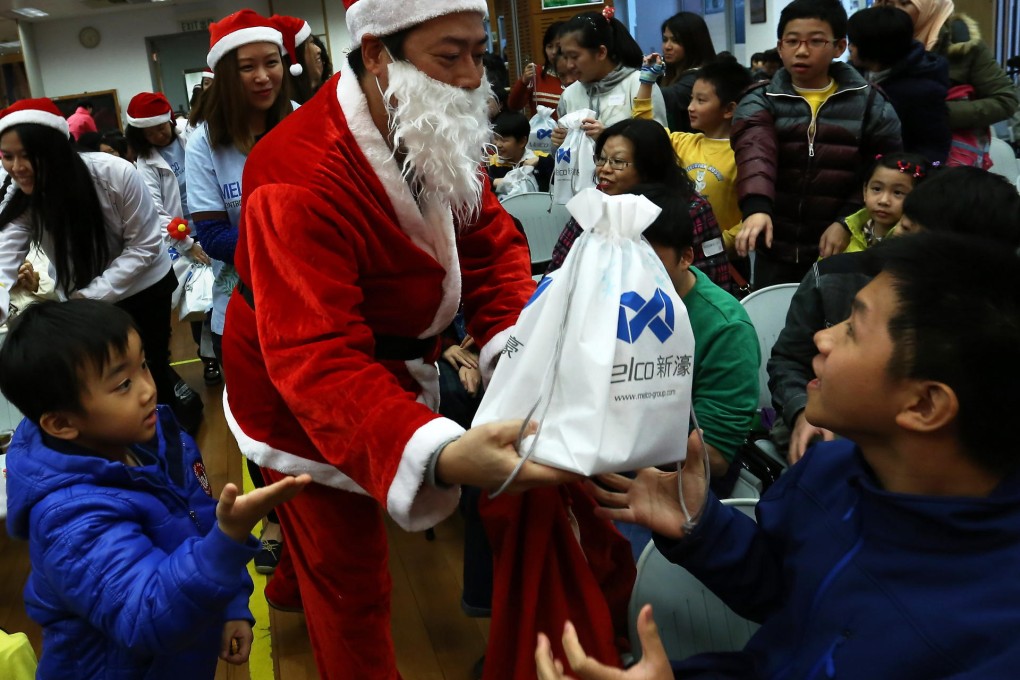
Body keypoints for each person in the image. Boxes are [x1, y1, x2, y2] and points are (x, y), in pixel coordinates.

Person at [220, 1, 577, 677]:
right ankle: (308, 577)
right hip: (294, 382)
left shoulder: (431, 114)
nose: (474, 77)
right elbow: (316, 359)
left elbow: (489, 242)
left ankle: (290, 572)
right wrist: (439, 455)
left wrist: (513, 354)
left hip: (392, 355)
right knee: (348, 578)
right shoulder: (295, 174)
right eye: (451, 55)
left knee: (320, 541)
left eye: (478, 51)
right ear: (379, 54)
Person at [537, 230, 1020, 679]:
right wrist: (702, 528)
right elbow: (785, 600)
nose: (822, 337)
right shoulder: (830, 472)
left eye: (852, 329)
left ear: (924, 404)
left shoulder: (993, 634)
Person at [0, 298, 311, 679]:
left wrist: (230, 605)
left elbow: (198, 519)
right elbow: (146, 615)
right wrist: (230, 536)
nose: (148, 389)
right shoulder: (69, 521)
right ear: (62, 423)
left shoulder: (154, 437)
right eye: (123, 383)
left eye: (143, 364)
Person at [769, 166, 1020, 464]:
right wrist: (802, 410)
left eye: (915, 236)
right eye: (904, 226)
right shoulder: (836, 276)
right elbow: (789, 360)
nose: (898, 239)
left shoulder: (991, 322)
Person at [184, 8, 295, 585]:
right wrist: (284, 249)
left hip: (309, 301)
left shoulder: (304, 121)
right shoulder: (206, 143)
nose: (262, 76)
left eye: (271, 62)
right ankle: (273, 514)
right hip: (245, 302)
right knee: (258, 419)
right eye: (246, 67)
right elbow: (211, 232)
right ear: (226, 76)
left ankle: (316, 505)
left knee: (306, 410)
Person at [0, 98, 177, 408]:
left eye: (27, 156)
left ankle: (169, 445)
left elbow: (145, 246)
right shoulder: (22, 195)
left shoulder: (114, 174)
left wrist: (88, 297)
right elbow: (3, 259)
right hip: (82, 296)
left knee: (152, 373)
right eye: (7, 156)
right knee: (102, 382)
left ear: (55, 149)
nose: (17, 168)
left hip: (145, 287)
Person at [732, 0, 902, 287]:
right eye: (792, 41)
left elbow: (883, 170)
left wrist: (847, 221)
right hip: (775, 241)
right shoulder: (760, 99)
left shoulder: (870, 102)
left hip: (843, 244)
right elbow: (755, 153)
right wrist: (757, 207)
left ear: (839, 47)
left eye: (815, 41)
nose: (801, 50)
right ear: (780, 46)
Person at [635, 184, 759, 482]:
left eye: (649, 262)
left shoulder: (725, 328)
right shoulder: (606, 296)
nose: (631, 274)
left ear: (686, 257)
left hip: (678, 477)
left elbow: (713, 456)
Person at [547, 118, 734, 295]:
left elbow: (713, 280)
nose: (604, 169)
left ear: (649, 167)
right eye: (601, 159)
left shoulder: (691, 209)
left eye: (617, 162)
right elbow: (559, 266)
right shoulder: (595, 204)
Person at [126, 91, 220, 386]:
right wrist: (187, 244)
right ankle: (209, 359)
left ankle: (232, 350)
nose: (160, 132)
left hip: (213, 225)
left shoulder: (191, 138)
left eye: (162, 125)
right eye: (151, 130)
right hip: (185, 240)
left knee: (225, 292)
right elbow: (155, 211)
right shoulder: (145, 164)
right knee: (200, 302)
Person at [635, 58, 753, 278]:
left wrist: (719, 244)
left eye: (701, 100)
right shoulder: (684, 143)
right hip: (677, 256)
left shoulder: (744, 154)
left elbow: (752, 213)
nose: (690, 107)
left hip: (724, 261)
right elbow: (645, 132)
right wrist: (647, 83)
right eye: (691, 99)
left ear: (729, 109)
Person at [876, 0, 1018, 158]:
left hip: (943, 159)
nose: (894, 10)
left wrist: (940, 113)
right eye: (887, 3)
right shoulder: (871, 40)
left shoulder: (961, 43)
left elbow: (1006, 99)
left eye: (904, 3)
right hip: (884, 155)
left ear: (930, 7)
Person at [552, 6, 667, 150]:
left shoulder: (640, 84)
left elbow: (660, 146)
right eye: (565, 56)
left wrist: (608, 137)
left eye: (574, 56)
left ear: (601, 52)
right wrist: (559, 142)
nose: (569, 65)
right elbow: (563, 158)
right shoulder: (569, 95)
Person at [848, 5, 950, 163]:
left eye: (854, 43)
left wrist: (911, 174)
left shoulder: (922, 91)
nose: (850, 48)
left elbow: (932, 149)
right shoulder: (850, 76)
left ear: (873, 47)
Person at [837, 152, 933, 254]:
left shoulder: (910, 247)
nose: (883, 201)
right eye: (877, 189)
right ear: (865, 191)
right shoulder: (846, 232)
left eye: (897, 192)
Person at [655, 12, 718, 133]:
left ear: (693, 42)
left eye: (675, 41)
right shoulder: (666, 72)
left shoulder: (702, 77)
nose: (667, 46)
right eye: (665, 40)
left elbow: (665, 96)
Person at [487, 110, 553, 195]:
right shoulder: (493, 162)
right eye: (496, 138)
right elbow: (482, 184)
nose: (498, 144)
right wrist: (493, 182)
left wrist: (541, 161)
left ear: (522, 142)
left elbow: (556, 173)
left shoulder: (537, 158)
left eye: (504, 140)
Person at [507, 21, 566, 117]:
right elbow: (514, 106)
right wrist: (523, 82)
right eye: (549, 46)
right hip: (538, 131)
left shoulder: (578, 76)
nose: (554, 52)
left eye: (558, 47)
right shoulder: (536, 73)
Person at [273, 14, 330, 105]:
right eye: (311, 43)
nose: (318, 50)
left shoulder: (330, 95)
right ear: (296, 57)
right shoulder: (288, 109)